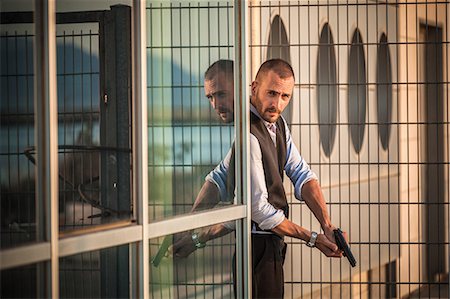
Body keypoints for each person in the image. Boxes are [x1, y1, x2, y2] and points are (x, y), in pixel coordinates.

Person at [173, 59, 348, 298]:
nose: (277, 104)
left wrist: (327, 225)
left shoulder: (277, 125)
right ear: (254, 88)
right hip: (256, 249)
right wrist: (313, 239)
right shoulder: (248, 135)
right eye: (272, 93)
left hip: (267, 247)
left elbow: (302, 174)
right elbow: (252, 206)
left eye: (285, 96)